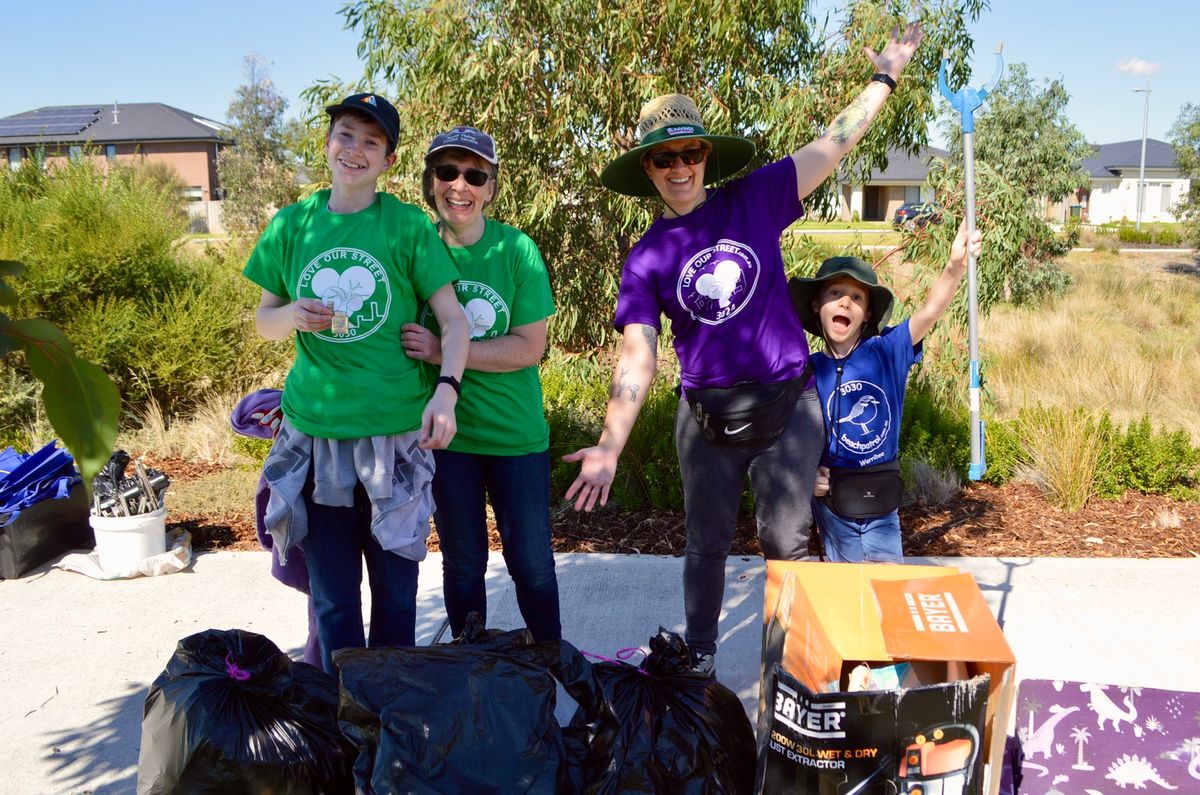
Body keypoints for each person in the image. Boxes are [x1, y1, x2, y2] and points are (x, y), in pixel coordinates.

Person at [564, 24, 924, 674]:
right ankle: (698, 656)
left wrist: (886, 75)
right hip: (704, 418)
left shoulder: (753, 199)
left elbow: (834, 144)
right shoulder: (647, 257)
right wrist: (611, 445)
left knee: (787, 539)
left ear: (706, 155)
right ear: (647, 168)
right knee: (703, 543)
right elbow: (638, 356)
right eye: (664, 158)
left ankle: (797, 661)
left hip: (787, 408)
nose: (679, 167)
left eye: (690, 152)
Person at [243, 92, 469, 674]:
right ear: (327, 143)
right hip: (316, 443)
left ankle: (390, 723)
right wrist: (291, 314)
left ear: (389, 160)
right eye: (346, 134)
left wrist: (447, 388)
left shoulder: (407, 226)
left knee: (395, 600)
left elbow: (455, 320)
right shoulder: (291, 225)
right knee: (334, 602)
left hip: (394, 441)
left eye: (371, 141)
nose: (355, 149)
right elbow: (263, 321)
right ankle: (342, 728)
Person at [401, 126, 561, 642]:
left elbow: (528, 347)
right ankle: (470, 674)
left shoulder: (517, 251)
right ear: (431, 183)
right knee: (463, 566)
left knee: (532, 566)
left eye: (474, 175)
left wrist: (445, 351)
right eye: (447, 173)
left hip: (516, 439)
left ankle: (553, 668)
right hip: (448, 443)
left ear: (491, 187)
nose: (459, 186)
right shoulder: (415, 248)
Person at [790, 223, 982, 562]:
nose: (845, 302)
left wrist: (954, 267)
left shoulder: (887, 351)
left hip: (880, 495)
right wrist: (806, 474)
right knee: (847, 586)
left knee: (886, 578)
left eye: (857, 298)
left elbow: (930, 312)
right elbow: (792, 434)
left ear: (866, 316)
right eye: (835, 294)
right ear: (817, 305)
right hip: (833, 498)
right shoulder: (806, 368)